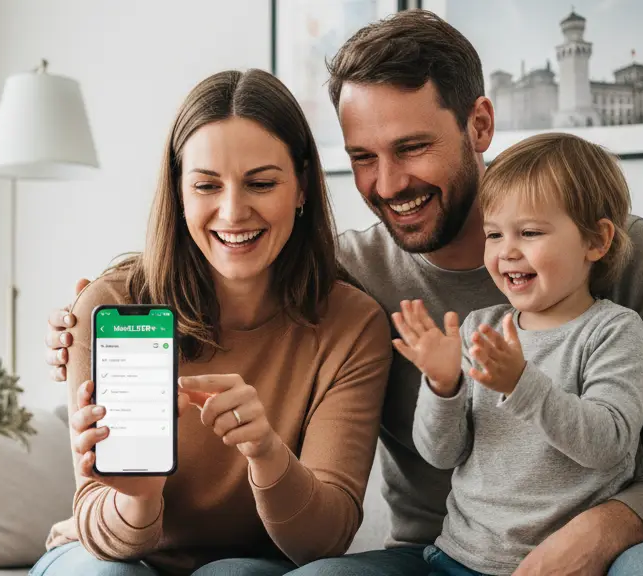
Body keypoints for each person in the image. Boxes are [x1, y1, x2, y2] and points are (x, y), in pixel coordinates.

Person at [47, 10, 643, 576]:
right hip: (436, 553)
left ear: (479, 126)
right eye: (363, 158)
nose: (388, 183)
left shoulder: (609, 250)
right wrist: (93, 314)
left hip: (606, 549)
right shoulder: (352, 274)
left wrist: (608, 528)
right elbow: (236, 251)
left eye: (411, 147)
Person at [29, 68, 393, 576]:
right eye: (206, 185)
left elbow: (323, 541)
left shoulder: (350, 325)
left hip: (255, 563)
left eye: (261, 183)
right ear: (178, 191)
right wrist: (138, 497)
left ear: (302, 186)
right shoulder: (106, 307)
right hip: (114, 555)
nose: (233, 211)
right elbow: (100, 525)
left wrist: (267, 454)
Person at [393, 132, 643, 575]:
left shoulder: (613, 331)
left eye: (530, 232)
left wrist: (523, 385)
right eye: (494, 234)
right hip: (461, 559)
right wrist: (444, 387)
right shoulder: (479, 327)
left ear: (596, 241)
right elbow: (441, 454)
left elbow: (609, 445)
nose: (507, 251)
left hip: (573, 564)